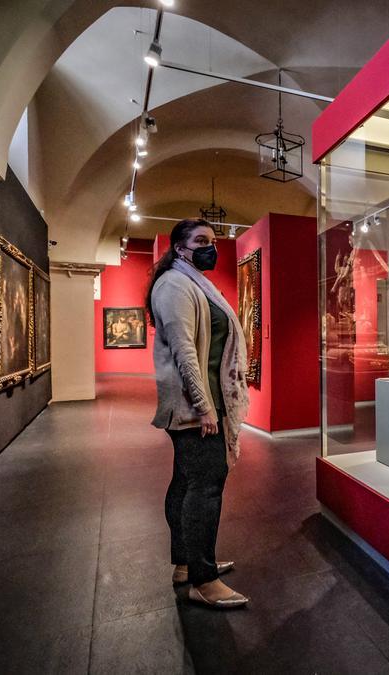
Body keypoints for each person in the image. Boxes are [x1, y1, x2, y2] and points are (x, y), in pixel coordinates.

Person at [146, 218, 251, 609]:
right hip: (193, 407)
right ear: (179, 247)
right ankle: (203, 581)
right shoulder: (174, 284)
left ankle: (187, 565)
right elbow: (184, 351)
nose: (211, 247)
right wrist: (204, 406)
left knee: (188, 482)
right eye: (201, 240)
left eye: (213, 240)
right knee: (205, 487)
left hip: (202, 402)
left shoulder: (192, 283)